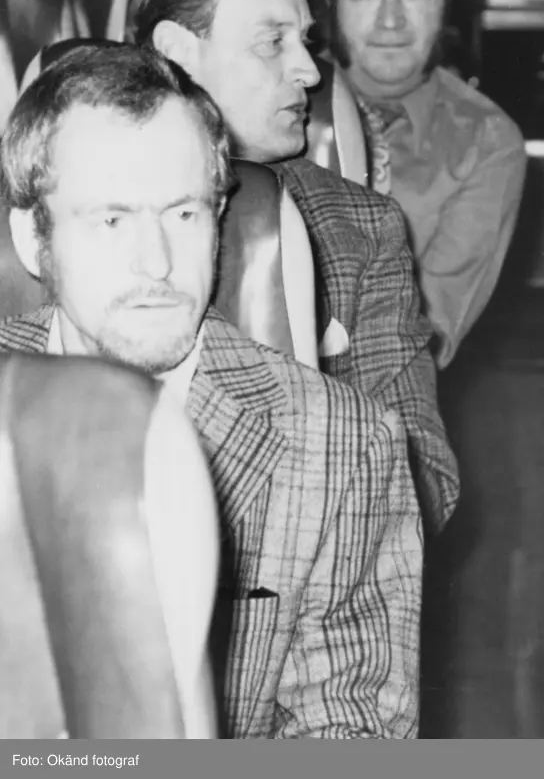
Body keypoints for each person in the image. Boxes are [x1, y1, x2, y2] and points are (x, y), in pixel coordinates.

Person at [0, 43, 424, 738]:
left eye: (184, 214)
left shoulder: (343, 448)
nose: (158, 262)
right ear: (31, 238)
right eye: (112, 219)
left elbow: (351, 731)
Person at [130, 0, 459, 534]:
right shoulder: (75, 218)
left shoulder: (361, 231)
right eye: (272, 42)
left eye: (304, 40)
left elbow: (426, 480)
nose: (310, 71)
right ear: (179, 55)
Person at [323, 0, 527, 368]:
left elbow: (422, 341)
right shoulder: (266, 108)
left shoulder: (486, 143)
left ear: (445, 2)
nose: (391, 21)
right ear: (333, 0)